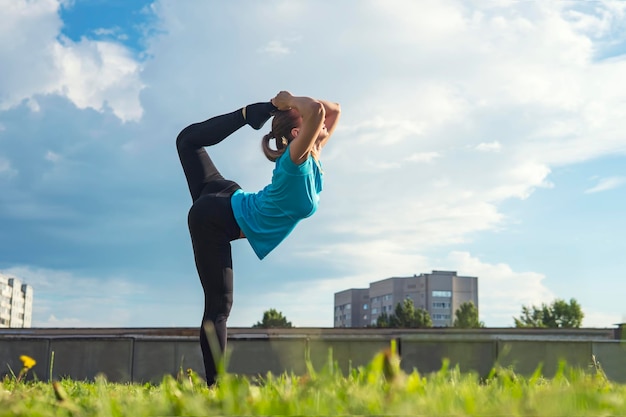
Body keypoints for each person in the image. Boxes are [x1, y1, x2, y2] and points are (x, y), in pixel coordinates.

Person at [176, 91, 341, 385]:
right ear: (296, 132)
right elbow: (316, 109)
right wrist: (288, 101)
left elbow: (333, 110)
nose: (323, 124)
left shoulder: (311, 153)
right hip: (213, 217)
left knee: (187, 140)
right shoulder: (296, 160)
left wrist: (290, 106)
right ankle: (215, 387)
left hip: (228, 196)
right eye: (307, 121)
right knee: (219, 307)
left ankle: (250, 114)